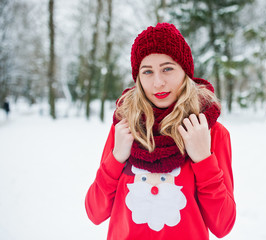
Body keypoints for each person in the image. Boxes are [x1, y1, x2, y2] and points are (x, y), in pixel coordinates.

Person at [85, 22, 236, 240]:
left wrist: (203, 159)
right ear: (138, 78)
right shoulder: (125, 128)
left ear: (185, 71)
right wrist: (116, 158)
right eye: (147, 72)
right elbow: (95, 212)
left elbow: (223, 225)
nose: (158, 82)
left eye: (167, 69)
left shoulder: (210, 132)